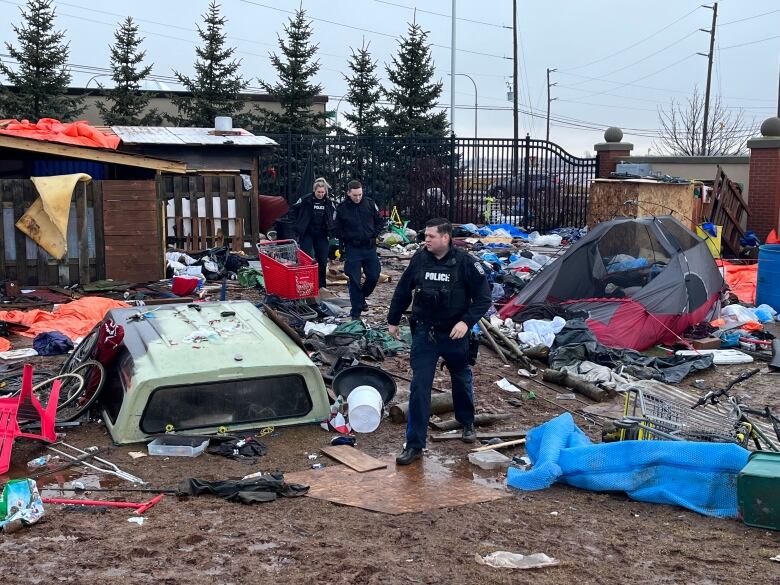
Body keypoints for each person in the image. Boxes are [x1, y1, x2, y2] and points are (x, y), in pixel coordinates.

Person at [387, 218, 491, 465]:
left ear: (445, 238)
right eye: (425, 236)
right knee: (419, 386)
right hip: (425, 332)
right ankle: (414, 445)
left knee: (461, 378)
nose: (426, 240)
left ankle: (467, 423)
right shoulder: (420, 259)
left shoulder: (466, 262)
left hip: (455, 333)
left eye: (431, 236)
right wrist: (393, 320)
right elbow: (403, 291)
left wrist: (466, 322)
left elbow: (483, 298)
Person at [333, 180, 385, 319]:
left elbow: (380, 221)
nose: (357, 198)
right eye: (355, 195)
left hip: (369, 247)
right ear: (348, 193)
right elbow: (335, 228)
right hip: (353, 248)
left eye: (360, 194)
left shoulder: (369, 203)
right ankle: (355, 313)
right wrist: (347, 238)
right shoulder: (342, 208)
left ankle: (361, 298)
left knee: (374, 276)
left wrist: (374, 233)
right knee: (354, 280)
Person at [289, 177, 336, 289]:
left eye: (322, 192)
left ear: (325, 192)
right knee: (305, 258)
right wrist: (297, 225)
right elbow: (292, 210)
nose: (320, 194)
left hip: (322, 233)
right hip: (307, 232)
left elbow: (334, 215)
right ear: (314, 190)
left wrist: (331, 228)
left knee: (322, 260)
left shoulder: (329, 203)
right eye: (318, 192)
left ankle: (321, 286)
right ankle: (304, 282)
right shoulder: (306, 200)